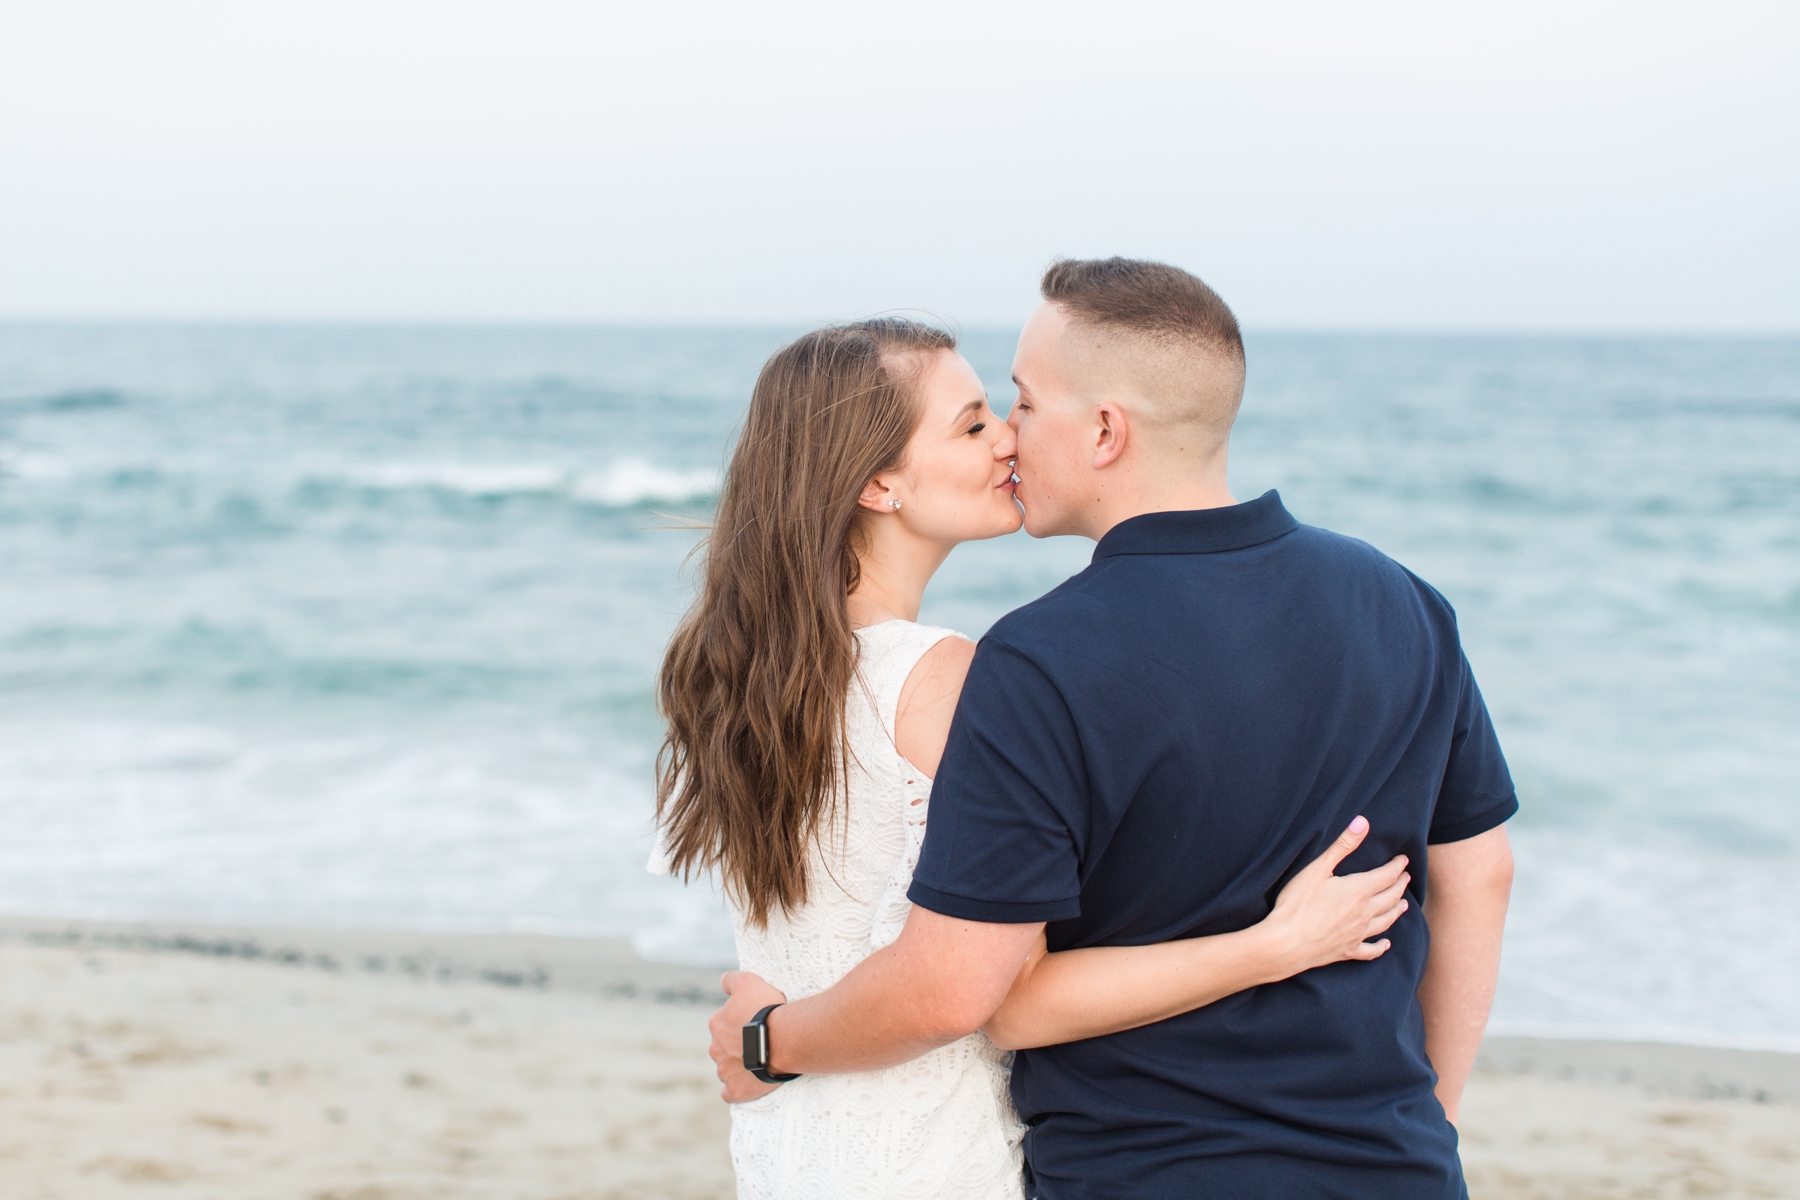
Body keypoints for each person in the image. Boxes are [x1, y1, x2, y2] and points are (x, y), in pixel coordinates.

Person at [704, 260, 1518, 1199]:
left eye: (1021, 403)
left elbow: (986, 999)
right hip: (1394, 1168)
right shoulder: (1405, 601)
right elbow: (1480, 876)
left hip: (1140, 1172)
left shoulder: (1040, 661)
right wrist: (1431, 1121)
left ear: (1103, 430)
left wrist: (773, 1041)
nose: (1009, 435)